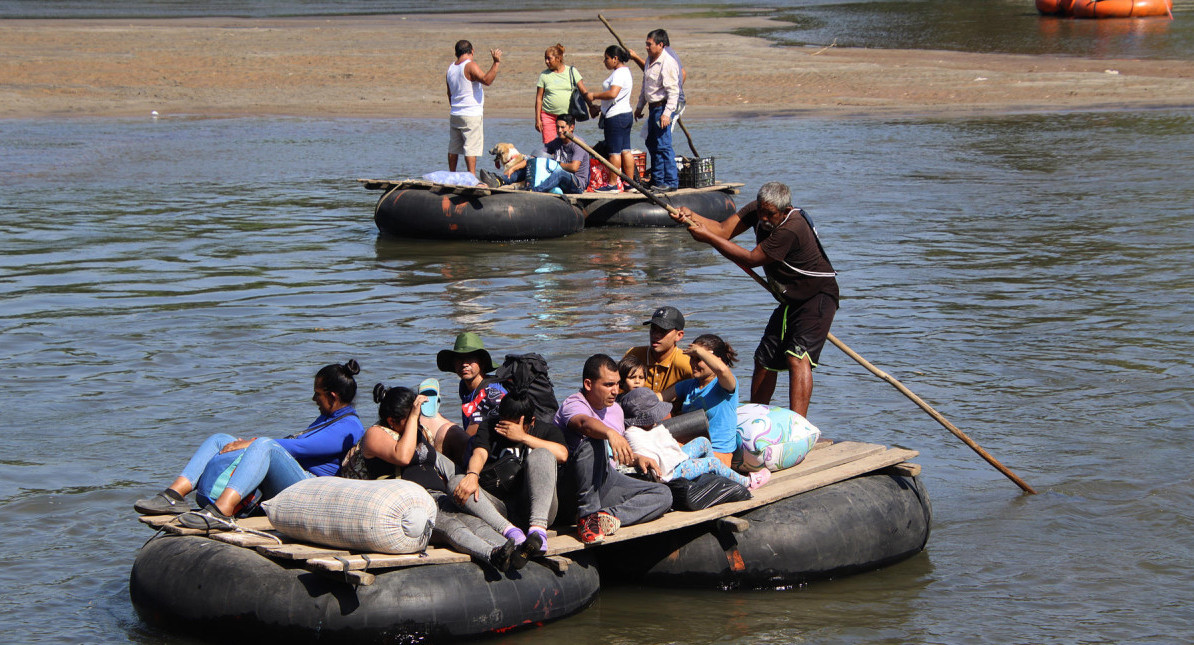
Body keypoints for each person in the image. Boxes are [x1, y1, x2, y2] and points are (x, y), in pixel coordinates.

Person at [133, 360, 367, 529]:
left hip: (310, 489)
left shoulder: (350, 426)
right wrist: (244, 444)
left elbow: (300, 448)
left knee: (264, 444)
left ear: (333, 396)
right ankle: (174, 495)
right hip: (295, 478)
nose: (313, 399)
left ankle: (221, 511)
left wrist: (251, 444)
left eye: (317, 394)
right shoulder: (329, 417)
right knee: (220, 439)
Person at [675, 181, 839, 417]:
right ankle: (754, 417)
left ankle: (798, 425)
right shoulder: (759, 209)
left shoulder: (792, 227)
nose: (762, 218)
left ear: (785, 210)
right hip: (790, 299)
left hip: (817, 297)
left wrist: (708, 238)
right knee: (764, 359)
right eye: (761, 211)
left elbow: (752, 258)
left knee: (796, 357)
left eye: (769, 214)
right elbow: (722, 230)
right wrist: (693, 216)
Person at [340, 384, 523, 573]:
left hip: (438, 497)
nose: (417, 421)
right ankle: (492, 554)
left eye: (417, 416)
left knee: (473, 521)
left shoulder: (419, 433)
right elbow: (402, 456)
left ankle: (516, 550)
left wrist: (467, 480)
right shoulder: (375, 434)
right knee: (451, 526)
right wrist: (412, 417)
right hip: (412, 508)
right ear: (392, 421)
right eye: (412, 417)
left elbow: (440, 462)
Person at [555, 354, 672, 544]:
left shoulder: (616, 410)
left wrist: (635, 458)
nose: (615, 391)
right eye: (608, 385)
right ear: (588, 384)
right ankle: (587, 517)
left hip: (606, 478)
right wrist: (609, 433)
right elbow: (584, 423)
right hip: (573, 486)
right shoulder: (573, 404)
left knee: (663, 494)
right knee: (595, 441)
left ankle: (603, 518)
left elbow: (615, 453)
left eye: (617, 384)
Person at [450, 391, 568, 560]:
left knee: (543, 454)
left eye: (514, 426)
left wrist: (523, 437)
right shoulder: (490, 426)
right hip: (499, 509)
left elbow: (562, 454)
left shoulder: (545, 430)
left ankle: (537, 533)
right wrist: (472, 475)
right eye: (505, 425)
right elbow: (480, 454)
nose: (507, 431)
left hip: (535, 508)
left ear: (531, 422)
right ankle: (512, 533)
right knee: (457, 482)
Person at [620, 387, 769, 490]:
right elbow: (653, 460)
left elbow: (666, 446)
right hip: (670, 473)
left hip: (676, 461)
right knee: (712, 462)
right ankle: (748, 482)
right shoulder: (633, 433)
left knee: (702, 442)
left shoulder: (650, 426)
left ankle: (711, 478)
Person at [660, 334, 741, 465]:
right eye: (692, 358)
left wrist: (699, 350)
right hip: (690, 448)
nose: (693, 364)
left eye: (699, 359)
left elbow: (722, 370)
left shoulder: (724, 385)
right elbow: (658, 398)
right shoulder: (688, 385)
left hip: (717, 455)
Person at [633, 29, 681, 191]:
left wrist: (667, 114)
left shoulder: (667, 62)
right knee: (652, 143)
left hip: (662, 107)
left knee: (663, 145)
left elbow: (673, 91)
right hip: (653, 108)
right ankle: (658, 180)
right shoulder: (649, 60)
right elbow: (645, 87)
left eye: (649, 44)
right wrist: (639, 107)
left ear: (660, 45)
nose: (646, 47)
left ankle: (670, 182)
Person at [446, 39, 503, 175]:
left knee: (454, 147)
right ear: (472, 51)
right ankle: (471, 176)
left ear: (456, 53)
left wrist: (455, 107)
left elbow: (449, 93)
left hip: (455, 113)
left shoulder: (451, 68)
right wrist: (496, 63)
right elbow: (487, 80)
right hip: (470, 114)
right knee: (470, 147)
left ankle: (451, 174)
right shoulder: (470, 65)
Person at [623, 305, 693, 411]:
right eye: (653, 329)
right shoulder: (634, 355)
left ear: (679, 335)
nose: (655, 335)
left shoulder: (687, 364)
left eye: (663, 331)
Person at [437, 332, 507, 436]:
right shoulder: (464, 386)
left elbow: (468, 437)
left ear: (482, 362)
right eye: (459, 359)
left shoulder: (492, 393)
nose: (464, 364)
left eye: (470, 358)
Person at [584, 45, 636, 182]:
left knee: (614, 153)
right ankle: (630, 183)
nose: (604, 61)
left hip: (616, 117)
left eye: (606, 58)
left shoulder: (619, 73)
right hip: (625, 114)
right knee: (626, 150)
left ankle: (613, 184)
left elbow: (613, 94)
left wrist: (594, 95)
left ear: (615, 58)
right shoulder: (626, 72)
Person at [534, 43, 592, 145]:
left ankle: (567, 161)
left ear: (558, 58)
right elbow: (539, 98)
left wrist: (591, 106)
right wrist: (538, 119)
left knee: (567, 142)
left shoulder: (572, 71)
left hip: (567, 116)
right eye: (545, 59)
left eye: (549, 59)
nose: (546, 62)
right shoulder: (544, 75)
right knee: (550, 145)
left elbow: (583, 91)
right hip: (548, 115)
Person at [531, 115, 590, 194]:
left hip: (577, 184)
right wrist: (514, 168)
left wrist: (556, 164)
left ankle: (536, 191)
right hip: (560, 180)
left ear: (571, 127)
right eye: (557, 127)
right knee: (533, 165)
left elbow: (574, 167)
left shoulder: (578, 144)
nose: (559, 130)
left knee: (559, 173)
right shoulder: (556, 142)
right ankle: (508, 179)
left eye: (562, 127)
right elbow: (537, 156)